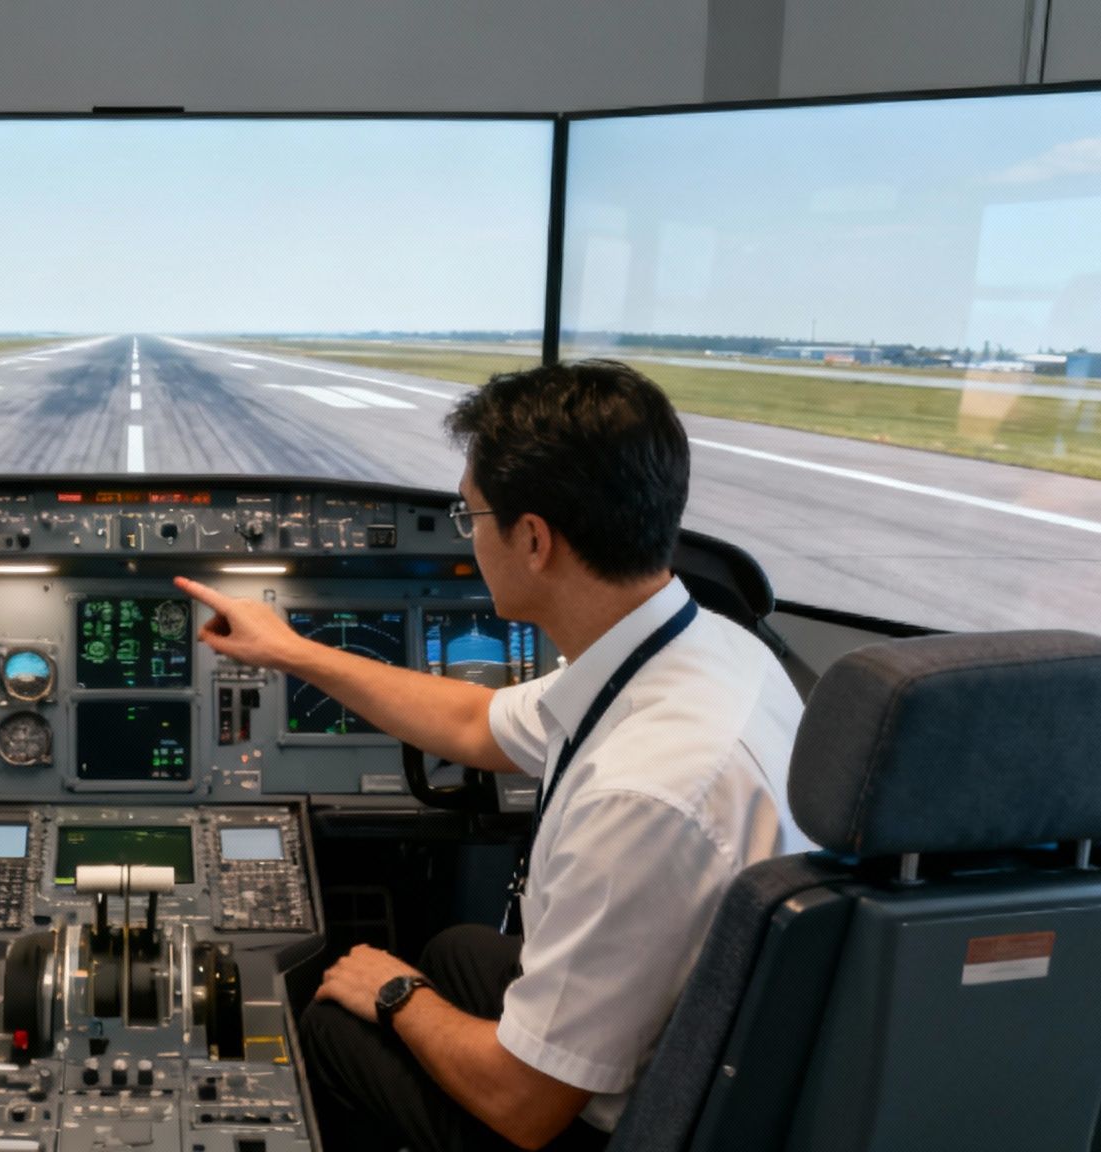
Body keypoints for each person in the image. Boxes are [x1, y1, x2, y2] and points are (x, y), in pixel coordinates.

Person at [174, 360, 804, 1152]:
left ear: (534, 539)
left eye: (470, 512)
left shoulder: (644, 792)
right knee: (456, 951)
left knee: (340, 1017)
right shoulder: (706, 648)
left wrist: (398, 994)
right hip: (702, 1038)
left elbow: (524, 1106)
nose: (466, 532)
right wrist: (295, 653)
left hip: (613, 1121)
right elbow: (478, 722)